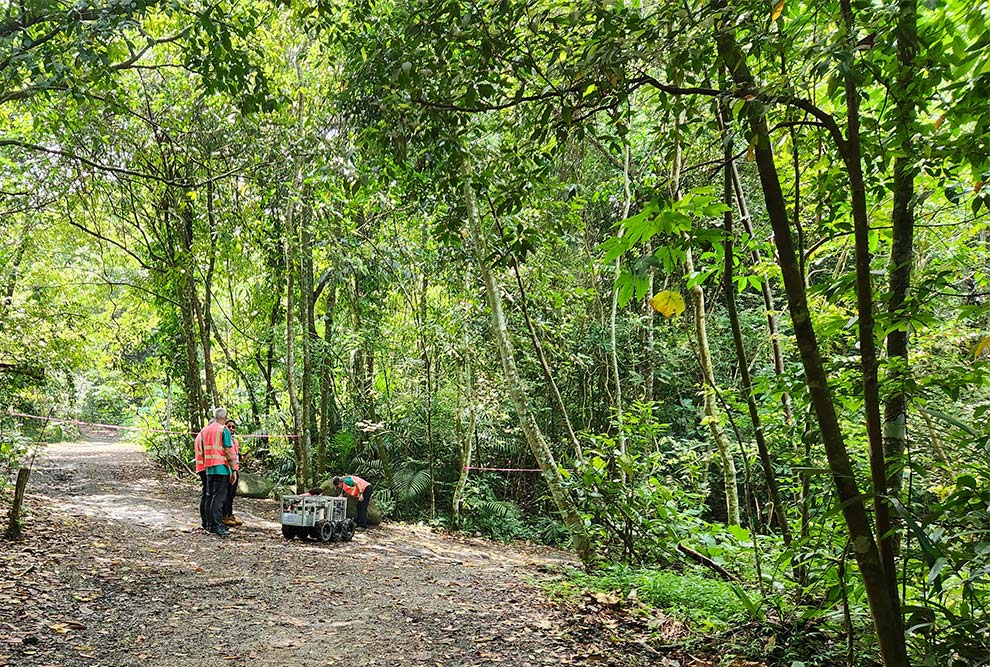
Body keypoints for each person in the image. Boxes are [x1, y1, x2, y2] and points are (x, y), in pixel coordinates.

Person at [193, 407, 237, 537]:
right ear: (224, 417)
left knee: (210, 496)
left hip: (208, 467)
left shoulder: (205, 430)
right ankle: (216, 525)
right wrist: (233, 469)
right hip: (221, 468)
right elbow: (228, 451)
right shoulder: (223, 430)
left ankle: (210, 524)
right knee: (219, 497)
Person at [221, 419, 242, 527]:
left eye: (233, 427)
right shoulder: (223, 438)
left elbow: (236, 456)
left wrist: (235, 469)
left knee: (232, 494)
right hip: (226, 469)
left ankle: (230, 514)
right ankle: (225, 515)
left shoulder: (235, 442)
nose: (231, 429)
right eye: (229, 426)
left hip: (234, 469)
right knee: (226, 494)